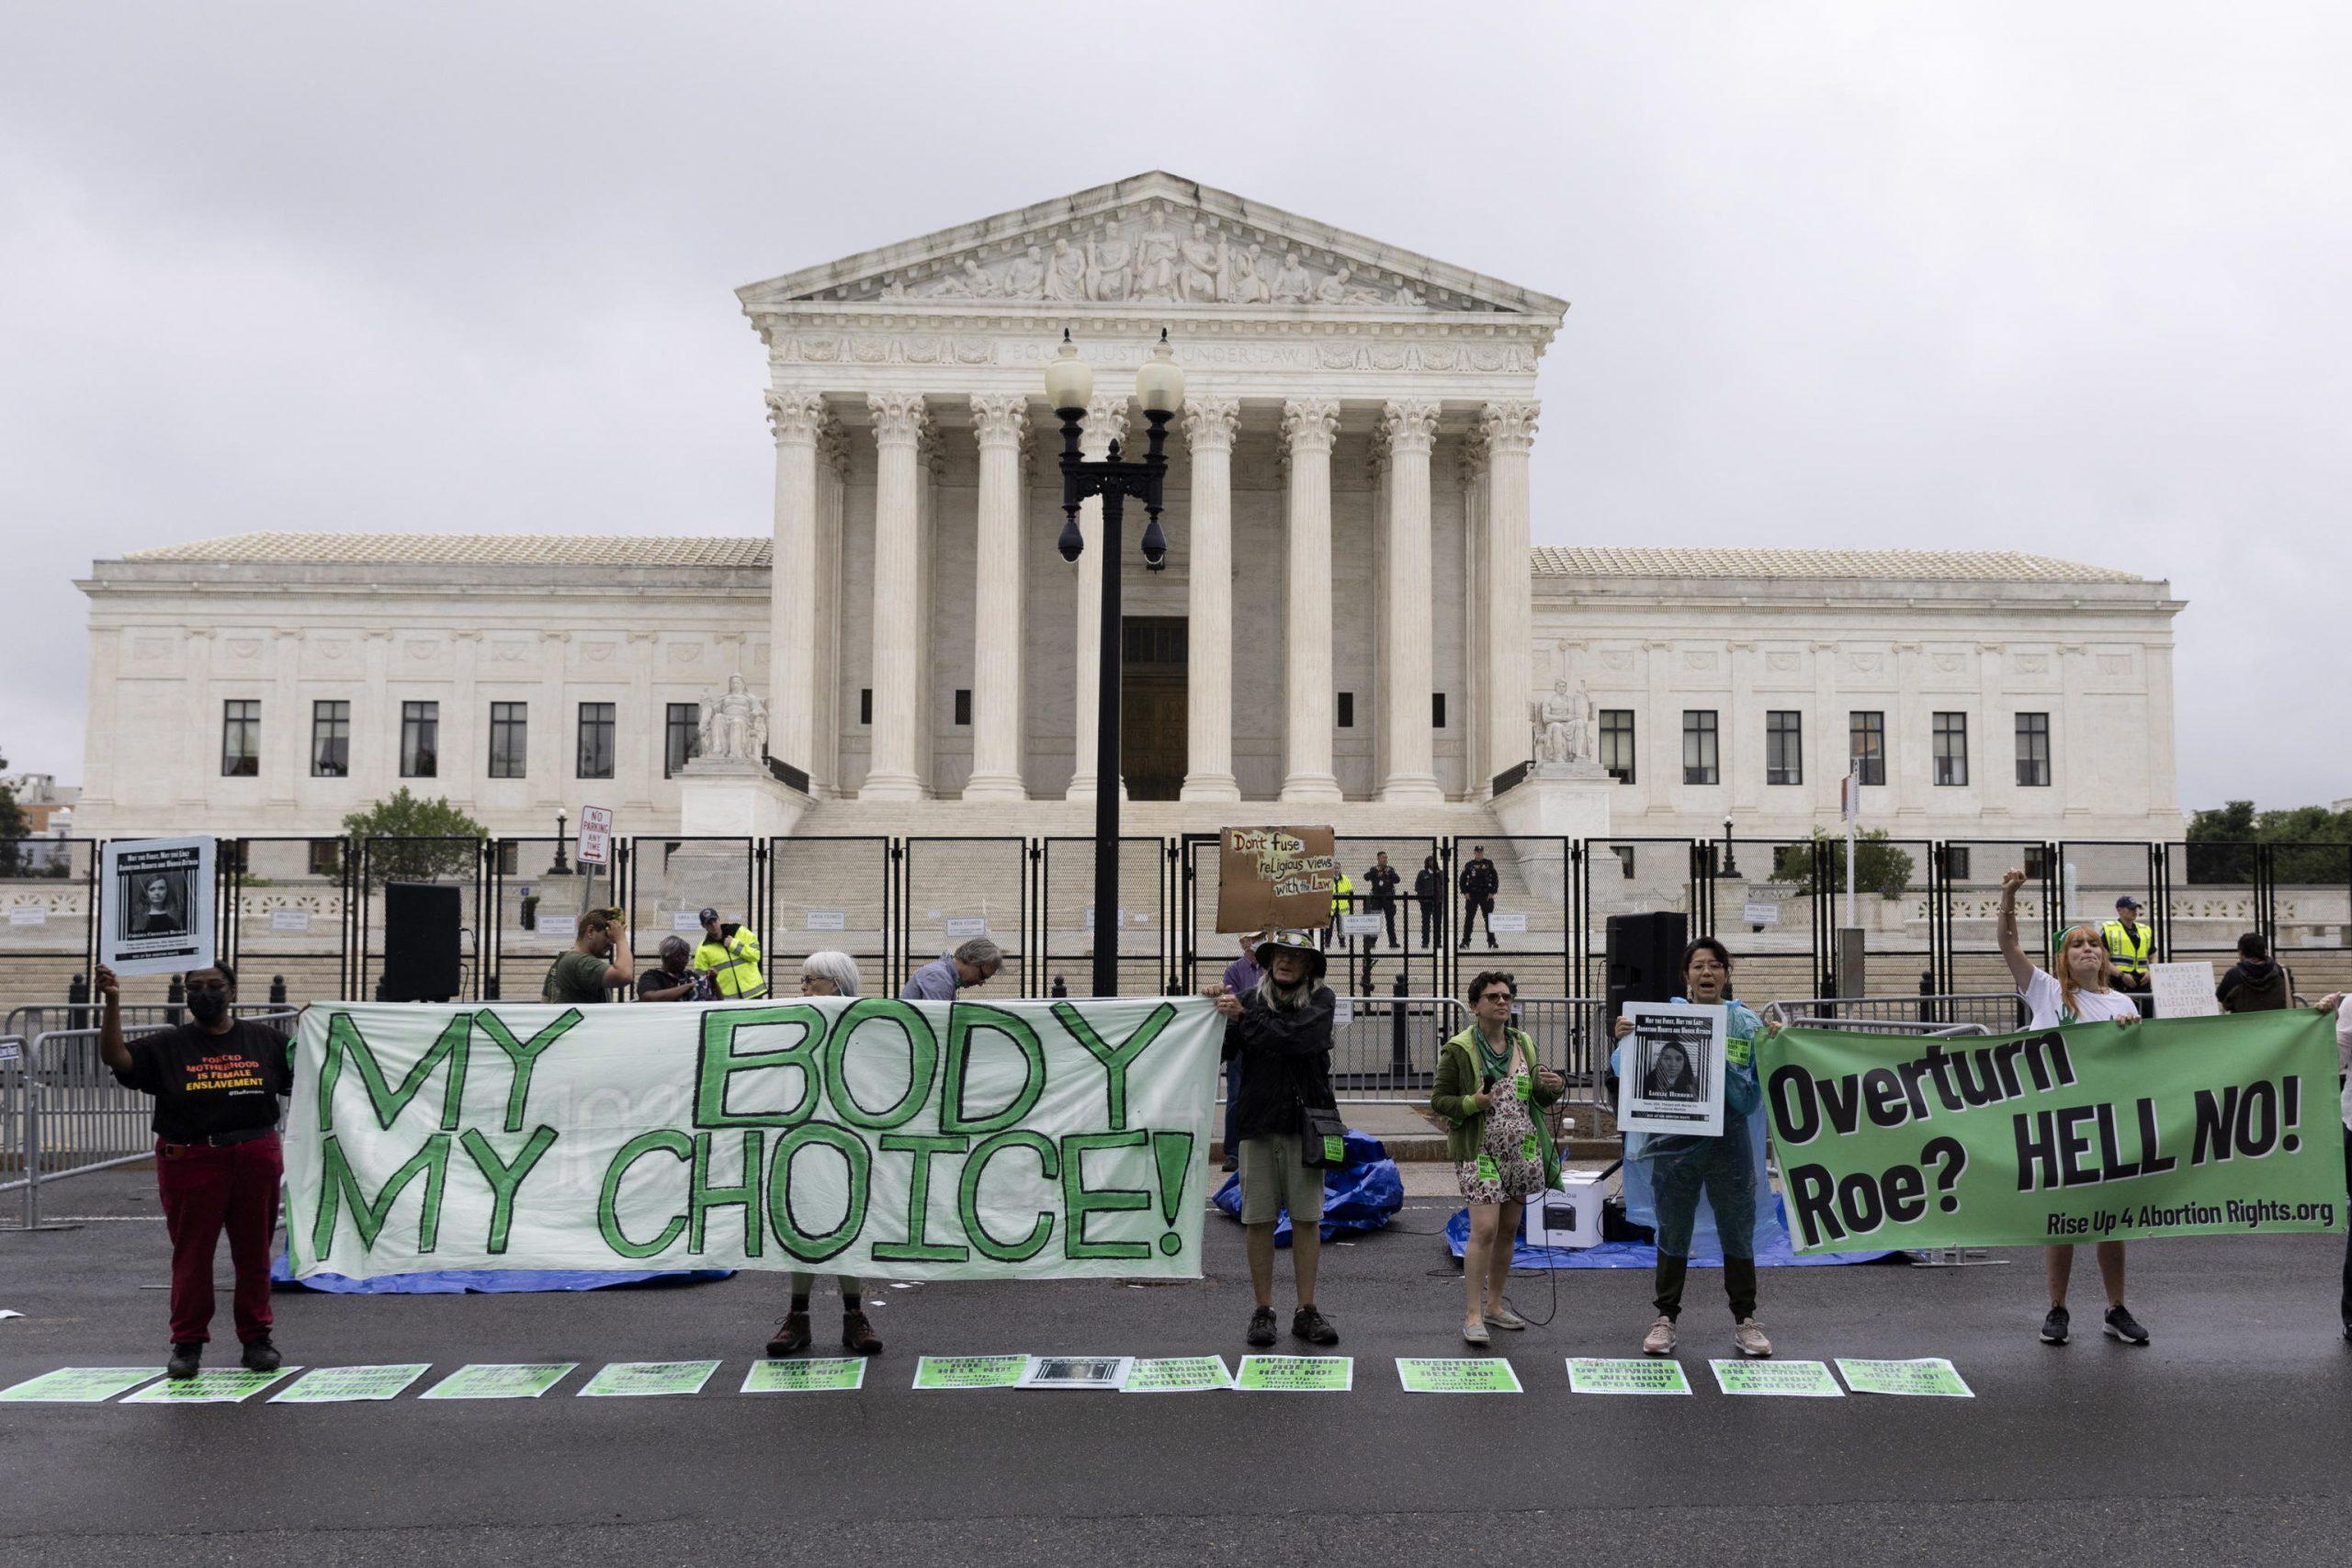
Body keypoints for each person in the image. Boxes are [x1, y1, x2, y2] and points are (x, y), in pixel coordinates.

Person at [93, 961, 288, 1380]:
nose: (205, 993)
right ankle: (187, 1343)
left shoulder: (265, 1040)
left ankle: (256, 1339)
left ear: (232, 992)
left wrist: (320, 1029)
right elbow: (118, 1057)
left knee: (254, 1252)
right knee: (192, 1255)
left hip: (254, 1153)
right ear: (186, 997)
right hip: (191, 1158)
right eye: (195, 987)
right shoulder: (168, 1045)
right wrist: (112, 1002)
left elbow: (310, 1073)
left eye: (215, 985)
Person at [1998, 867, 2149, 1346]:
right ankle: (2057, 1308)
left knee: (2110, 1221)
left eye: (2095, 944)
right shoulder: (2046, 990)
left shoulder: (2124, 1005)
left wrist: (2131, 1040)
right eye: (2077, 944)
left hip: (2107, 1124)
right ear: (2064, 957)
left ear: (2104, 956)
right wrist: (2008, 895)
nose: (2088, 950)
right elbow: (2007, 946)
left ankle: (2115, 1307)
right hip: (2057, 1124)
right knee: (2061, 1220)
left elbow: (2141, 1067)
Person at [1611, 938, 1773, 1359]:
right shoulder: (1665, 1017)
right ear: (1686, 976)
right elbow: (1626, 1069)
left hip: (1729, 1140)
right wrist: (1625, 1039)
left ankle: (1745, 1319)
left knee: (1736, 1226)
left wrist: (1774, 1044)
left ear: (1727, 974)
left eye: (1716, 965)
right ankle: (1665, 1318)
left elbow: (1758, 1086)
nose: (1707, 973)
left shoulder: (1744, 1023)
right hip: (1675, 1143)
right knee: (1674, 1225)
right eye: (1699, 966)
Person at [1209, 931, 1340, 1348]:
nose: (1285, 961)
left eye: (1295, 956)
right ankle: (1262, 1309)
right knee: (1258, 1220)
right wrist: (1211, 1007)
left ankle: (1307, 1308)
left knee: (1306, 1218)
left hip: (1305, 1125)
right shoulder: (1246, 1001)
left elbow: (1297, 1039)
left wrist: (1244, 1018)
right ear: (1268, 962)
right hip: (1258, 1123)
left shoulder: (1322, 1000)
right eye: (1279, 955)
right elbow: (1222, 1050)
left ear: (1308, 967)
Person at [1431, 970, 1565, 1344]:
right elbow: (1438, 1100)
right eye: (1492, 997)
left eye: (1506, 996)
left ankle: (1494, 1305)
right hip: (1479, 1149)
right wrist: (1473, 1102)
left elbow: (1535, 1095)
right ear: (1475, 1006)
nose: (1501, 1002)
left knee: (1508, 1229)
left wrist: (1553, 1088)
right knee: (1485, 1228)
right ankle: (1472, 1314)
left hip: (1521, 1148)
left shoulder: (1523, 1042)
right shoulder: (1459, 1049)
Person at [764, 950, 884, 1358]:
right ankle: (797, 1317)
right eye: (802, 979)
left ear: (835, 983)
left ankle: (855, 1317)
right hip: (803, 1141)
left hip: (850, 1141)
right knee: (800, 1228)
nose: (803, 986)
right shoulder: (798, 1021)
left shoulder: (866, 1024)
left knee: (848, 1228)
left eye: (811, 979)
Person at [1217, 931, 1270, 1173]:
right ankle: (1233, 1152)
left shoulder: (1269, 968)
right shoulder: (1235, 970)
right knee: (1236, 1095)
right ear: (1244, 942)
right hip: (1243, 1035)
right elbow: (1233, 1000)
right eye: (1256, 937)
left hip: (1262, 1034)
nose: (1260, 940)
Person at [545, 910, 631, 1005]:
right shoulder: (580, 962)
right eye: (607, 935)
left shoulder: (560, 961)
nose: (611, 942)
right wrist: (621, 939)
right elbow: (624, 975)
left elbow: (545, 1001)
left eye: (613, 937)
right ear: (590, 931)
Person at [692, 907, 768, 999]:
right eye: (709, 923)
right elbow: (700, 978)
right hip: (727, 999)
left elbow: (756, 955)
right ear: (703, 926)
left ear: (719, 919)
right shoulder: (703, 949)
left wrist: (734, 945)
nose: (713, 925)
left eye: (714, 921)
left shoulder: (740, 931)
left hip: (754, 993)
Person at [902, 935, 1001, 1001]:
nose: (980, 983)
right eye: (982, 976)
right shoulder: (939, 977)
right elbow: (937, 1025)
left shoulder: (944, 977)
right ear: (971, 958)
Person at [2217, 931, 2291, 1013]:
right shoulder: (2282, 972)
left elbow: (2222, 998)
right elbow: (2289, 996)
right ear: (2265, 951)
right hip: (2278, 1024)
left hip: (2242, 1024)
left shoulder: (2233, 975)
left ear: (2241, 953)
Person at [2101, 895, 2154, 997]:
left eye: (2135, 908)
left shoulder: (2145, 930)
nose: (2134, 911)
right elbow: (2103, 960)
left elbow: (2153, 954)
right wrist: (2122, 975)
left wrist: (2151, 971)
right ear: (2119, 910)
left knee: (2145, 1011)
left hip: (2143, 982)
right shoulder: (2109, 929)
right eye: (2130, 908)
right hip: (2118, 982)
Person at [636, 935, 707, 1002]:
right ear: (666, 957)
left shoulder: (689, 976)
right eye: (679, 956)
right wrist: (687, 986)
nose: (685, 960)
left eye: (686, 956)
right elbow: (648, 998)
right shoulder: (652, 976)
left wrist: (712, 981)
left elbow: (712, 998)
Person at [1459, 845, 1499, 949]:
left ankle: (1492, 941)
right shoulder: (1469, 865)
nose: (1479, 853)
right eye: (1477, 852)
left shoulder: (1488, 863)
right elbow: (1462, 880)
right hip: (1472, 896)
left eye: (1481, 852)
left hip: (1486, 895)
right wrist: (1465, 892)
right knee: (1469, 919)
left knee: (1489, 919)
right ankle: (1466, 942)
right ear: (1474, 852)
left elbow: (1495, 878)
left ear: (1483, 852)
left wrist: (1492, 892)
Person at [1413, 853, 1446, 948]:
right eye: (1429, 861)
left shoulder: (1440, 873)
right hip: (1426, 902)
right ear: (1427, 863)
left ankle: (1438, 942)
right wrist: (1422, 898)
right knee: (1426, 923)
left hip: (1437, 902)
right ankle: (1425, 942)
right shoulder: (1422, 873)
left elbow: (1444, 883)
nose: (1431, 863)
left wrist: (1438, 873)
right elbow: (1417, 887)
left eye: (1433, 861)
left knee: (1438, 922)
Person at [1323, 870, 1353, 952]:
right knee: (1329, 926)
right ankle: (1327, 942)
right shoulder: (1328, 879)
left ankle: (1342, 942)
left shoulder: (1346, 879)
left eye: (1338, 868)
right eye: (1335, 868)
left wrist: (1351, 907)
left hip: (1342, 908)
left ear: (1340, 869)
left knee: (1341, 926)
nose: (1336, 870)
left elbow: (1351, 893)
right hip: (1331, 908)